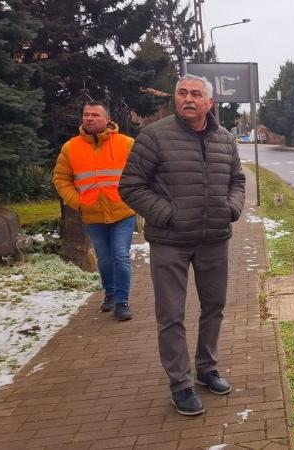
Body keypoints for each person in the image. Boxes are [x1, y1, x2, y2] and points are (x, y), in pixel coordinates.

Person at [119, 74, 246, 415]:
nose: (188, 99)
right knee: (171, 315)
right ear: (176, 99)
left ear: (209, 103)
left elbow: (237, 180)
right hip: (170, 242)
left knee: (214, 307)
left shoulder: (225, 139)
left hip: (214, 240)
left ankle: (206, 368)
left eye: (196, 94)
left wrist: (232, 208)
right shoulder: (153, 137)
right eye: (182, 93)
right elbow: (130, 186)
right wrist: (168, 214)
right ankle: (180, 383)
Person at [53, 101, 137, 321]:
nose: (89, 118)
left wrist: (134, 197)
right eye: (86, 114)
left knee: (120, 255)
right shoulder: (71, 147)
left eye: (95, 115)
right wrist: (77, 202)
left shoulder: (126, 143)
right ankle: (109, 294)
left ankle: (122, 301)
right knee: (104, 258)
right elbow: (61, 179)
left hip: (122, 211)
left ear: (106, 119)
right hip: (92, 213)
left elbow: (142, 172)